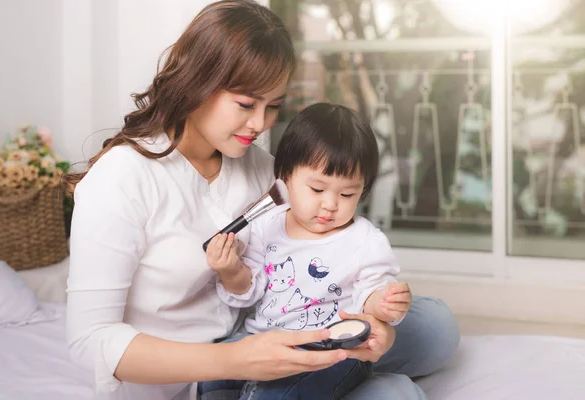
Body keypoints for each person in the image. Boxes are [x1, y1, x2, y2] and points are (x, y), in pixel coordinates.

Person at [65, 1, 459, 400]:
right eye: (246, 104)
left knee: (434, 326)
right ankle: (360, 381)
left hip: (272, 336)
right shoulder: (121, 179)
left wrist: (378, 324)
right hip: (193, 375)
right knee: (394, 396)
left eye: (273, 106)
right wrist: (234, 361)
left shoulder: (257, 166)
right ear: (197, 82)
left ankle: (351, 371)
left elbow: (315, 235)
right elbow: (89, 340)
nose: (261, 125)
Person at [200, 103, 414, 400]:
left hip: (332, 351)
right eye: (317, 189)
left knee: (276, 393)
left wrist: (385, 304)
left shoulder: (365, 240)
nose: (330, 204)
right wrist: (230, 270)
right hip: (263, 340)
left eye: (347, 194)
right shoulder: (266, 225)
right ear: (285, 178)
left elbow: (370, 297)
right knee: (208, 376)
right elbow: (248, 291)